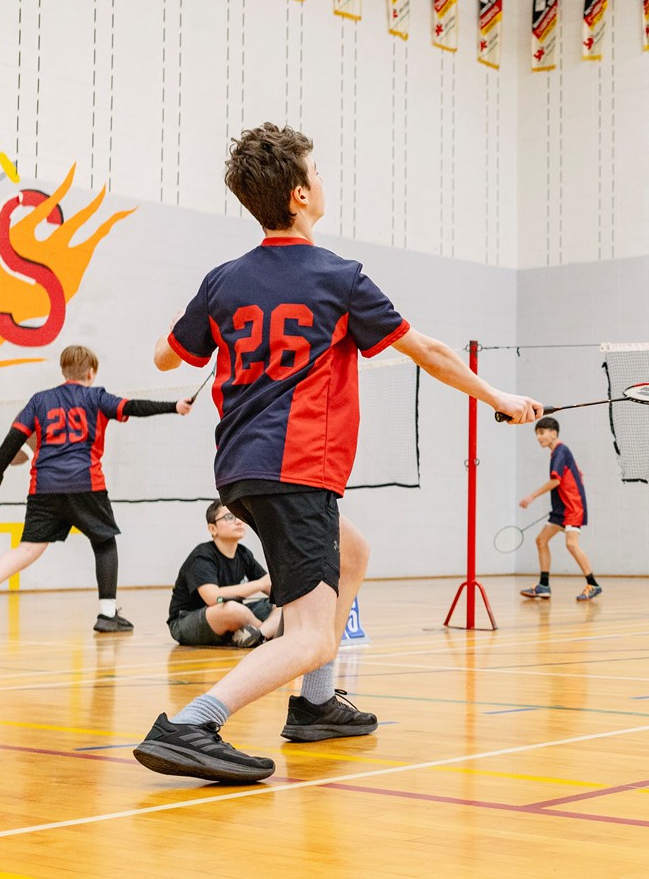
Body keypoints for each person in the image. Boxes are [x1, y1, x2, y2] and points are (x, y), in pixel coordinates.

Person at [133, 122, 542, 784]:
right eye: (316, 171)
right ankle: (192, 724)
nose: (322, 179)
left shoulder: (222, 281)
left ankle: (316, 705)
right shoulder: (339, 278)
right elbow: (430, 352)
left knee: (353, 553)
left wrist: (201, 327)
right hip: (298, 468)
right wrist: (499, 395)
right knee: (312, 634)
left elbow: (164, 356)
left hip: (241, 468)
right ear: (299, 195)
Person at [0, 345, 192, 635]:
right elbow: (133, 407)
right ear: (91, 373)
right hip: (85, 483)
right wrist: (175, 406)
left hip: (44, 487)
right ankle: (107, 614)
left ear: (63, 371)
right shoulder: (96, 397)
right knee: (104, 542)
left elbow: (13, 439)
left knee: (28, 548)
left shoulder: (40, 400)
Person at [167, 502, 283, 648]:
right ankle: (265, 635)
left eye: (240, 516)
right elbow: (213, 597)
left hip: (235, 616)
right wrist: (259, 584)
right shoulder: (202, 556)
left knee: (285, 604)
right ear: (212, 528)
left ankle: (256, 635)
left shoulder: (244, 554)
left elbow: (274, 590)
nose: (239, 521)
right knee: (232, 610)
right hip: (186, 620)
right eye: (229, 517)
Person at [518, 416, 600, 601]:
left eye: (542, 433)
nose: (539, 437)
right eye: (537, 434)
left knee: (571, 544)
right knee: (541, 540)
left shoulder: (561, 451)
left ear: (553, 433)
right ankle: (543, 586)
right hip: (561, 509)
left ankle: (593, 584)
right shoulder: (558, 453)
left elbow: (556, 480)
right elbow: (575, 475)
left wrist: (532, 496)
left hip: (573, 508)